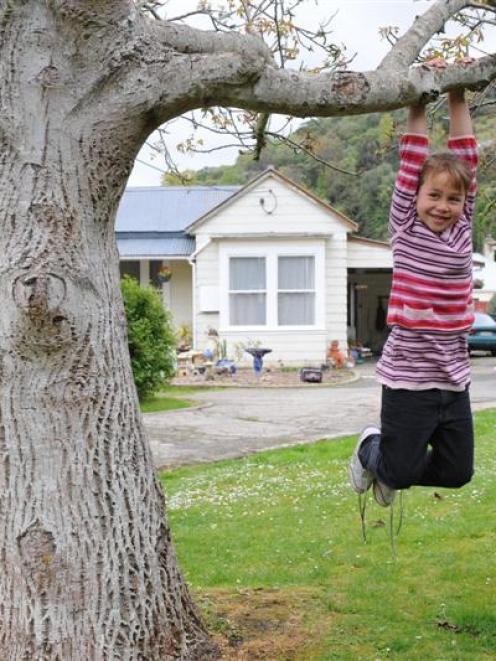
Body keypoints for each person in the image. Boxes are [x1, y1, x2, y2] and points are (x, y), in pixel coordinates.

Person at [349, 71, 478, 509]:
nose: (443, 206)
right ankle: (374, 450)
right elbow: (411, 159)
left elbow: (467, 156)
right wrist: (418, 102)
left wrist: (459, 93)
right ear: (416, 196)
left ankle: (388, 467)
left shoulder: (463, 229)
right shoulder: (405, 228)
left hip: (453, 376)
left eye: (453, 199)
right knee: (400, 471)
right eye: (434, 196)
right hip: (409, 379)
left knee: (458, 473)